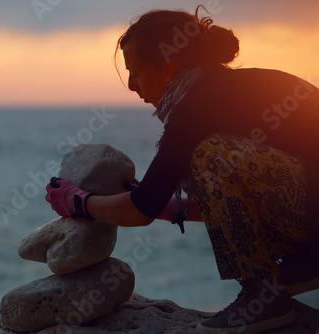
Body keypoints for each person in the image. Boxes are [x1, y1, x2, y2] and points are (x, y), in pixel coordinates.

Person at [45, 6, 319, 334]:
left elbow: (141, 209)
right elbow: (236, 203)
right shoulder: (219, 90)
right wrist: (172, 208)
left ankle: (264, 295)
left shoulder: (198, 105)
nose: (131, 85)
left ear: (167, 67)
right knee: (212, 160)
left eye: (135, 71)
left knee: (209, 156)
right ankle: (301, 265)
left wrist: (79, 202)